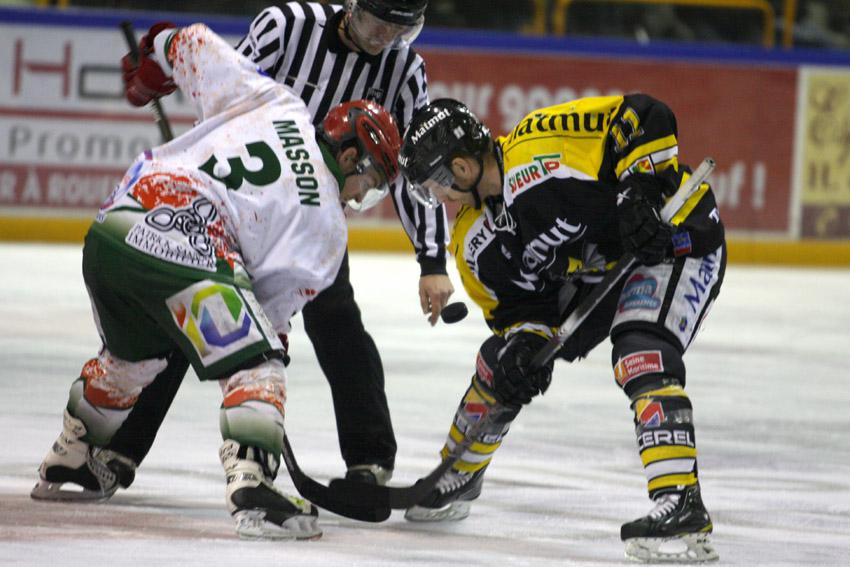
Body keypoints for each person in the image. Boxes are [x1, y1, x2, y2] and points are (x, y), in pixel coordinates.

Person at [31, 22, 403, 541]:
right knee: (259, 364)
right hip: (187, 250)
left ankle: (70, 456)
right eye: (370, 182)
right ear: (347, 156)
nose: (362, 196)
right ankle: (252, 485)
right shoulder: (327, 229)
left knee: (131, 364)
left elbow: (191, 42)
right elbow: (266, 317)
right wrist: (262, 359)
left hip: (113, 233)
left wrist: (153, 62)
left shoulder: (279, 103)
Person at [90, 0, 452, 497]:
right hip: (232, 209)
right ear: (352, 6)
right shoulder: (287, 26)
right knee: (183, 313)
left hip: (308, 224)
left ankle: (369, 459)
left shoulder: (404, 70)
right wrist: (166, 71)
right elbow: (229, 90)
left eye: (398, 30)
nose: (383, 38)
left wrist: (432, 259)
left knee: (337, 323)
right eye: (376, 23)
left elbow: (409, 169)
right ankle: (118, 449)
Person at [396, 97, 724, 563]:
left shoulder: (540, 144)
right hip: (604, 271)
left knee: (641, 351)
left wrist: (639, 195)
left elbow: (644, 115)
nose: (440, 199)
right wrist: (525, 346)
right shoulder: (472, 241)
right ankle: (459, 472)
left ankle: (680, 502)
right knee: (501, 362)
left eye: (436, 185)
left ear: (462, 168)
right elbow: (523, 310)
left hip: (673, 237)